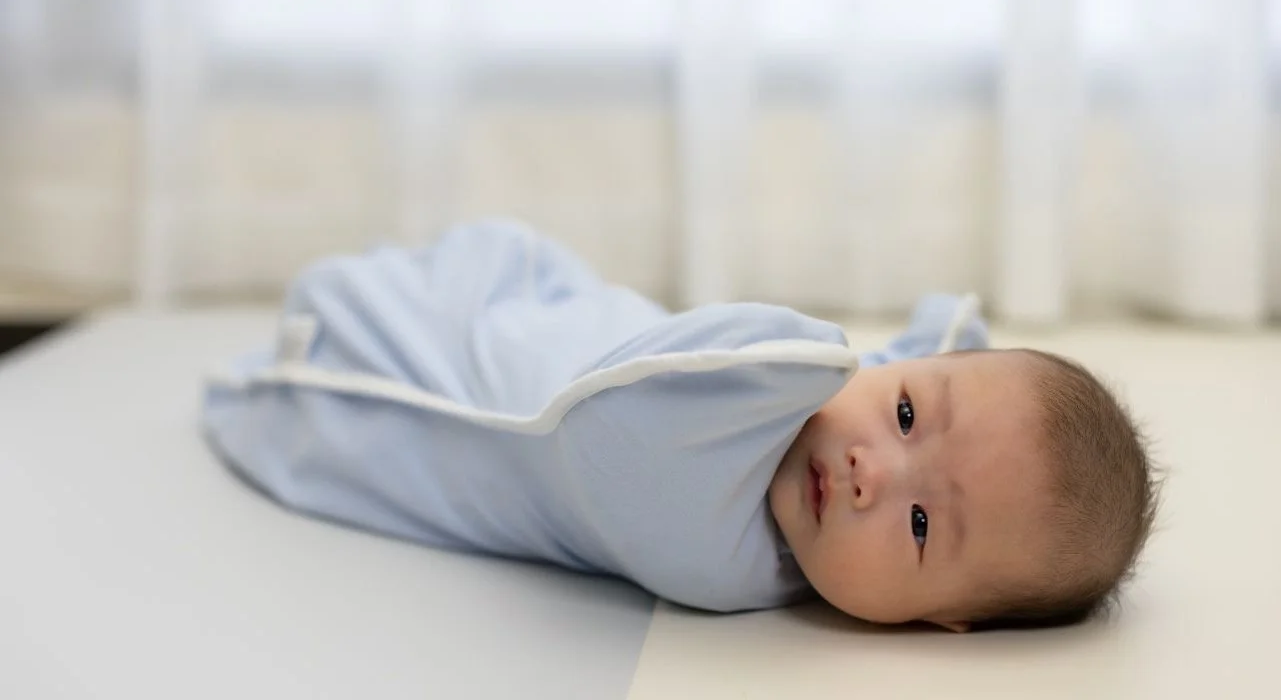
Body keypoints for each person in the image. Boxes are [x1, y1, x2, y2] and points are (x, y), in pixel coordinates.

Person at [202, 220, 1159, 631]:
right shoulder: (841, 407)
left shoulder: (715, 551)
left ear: (937, 622)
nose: (873, 473)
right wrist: (927, 355)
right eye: (906, 412)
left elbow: (653, 402)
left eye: (918, 527)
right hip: (530, 309)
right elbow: (918, 361)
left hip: (394, 378)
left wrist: (874, 374)